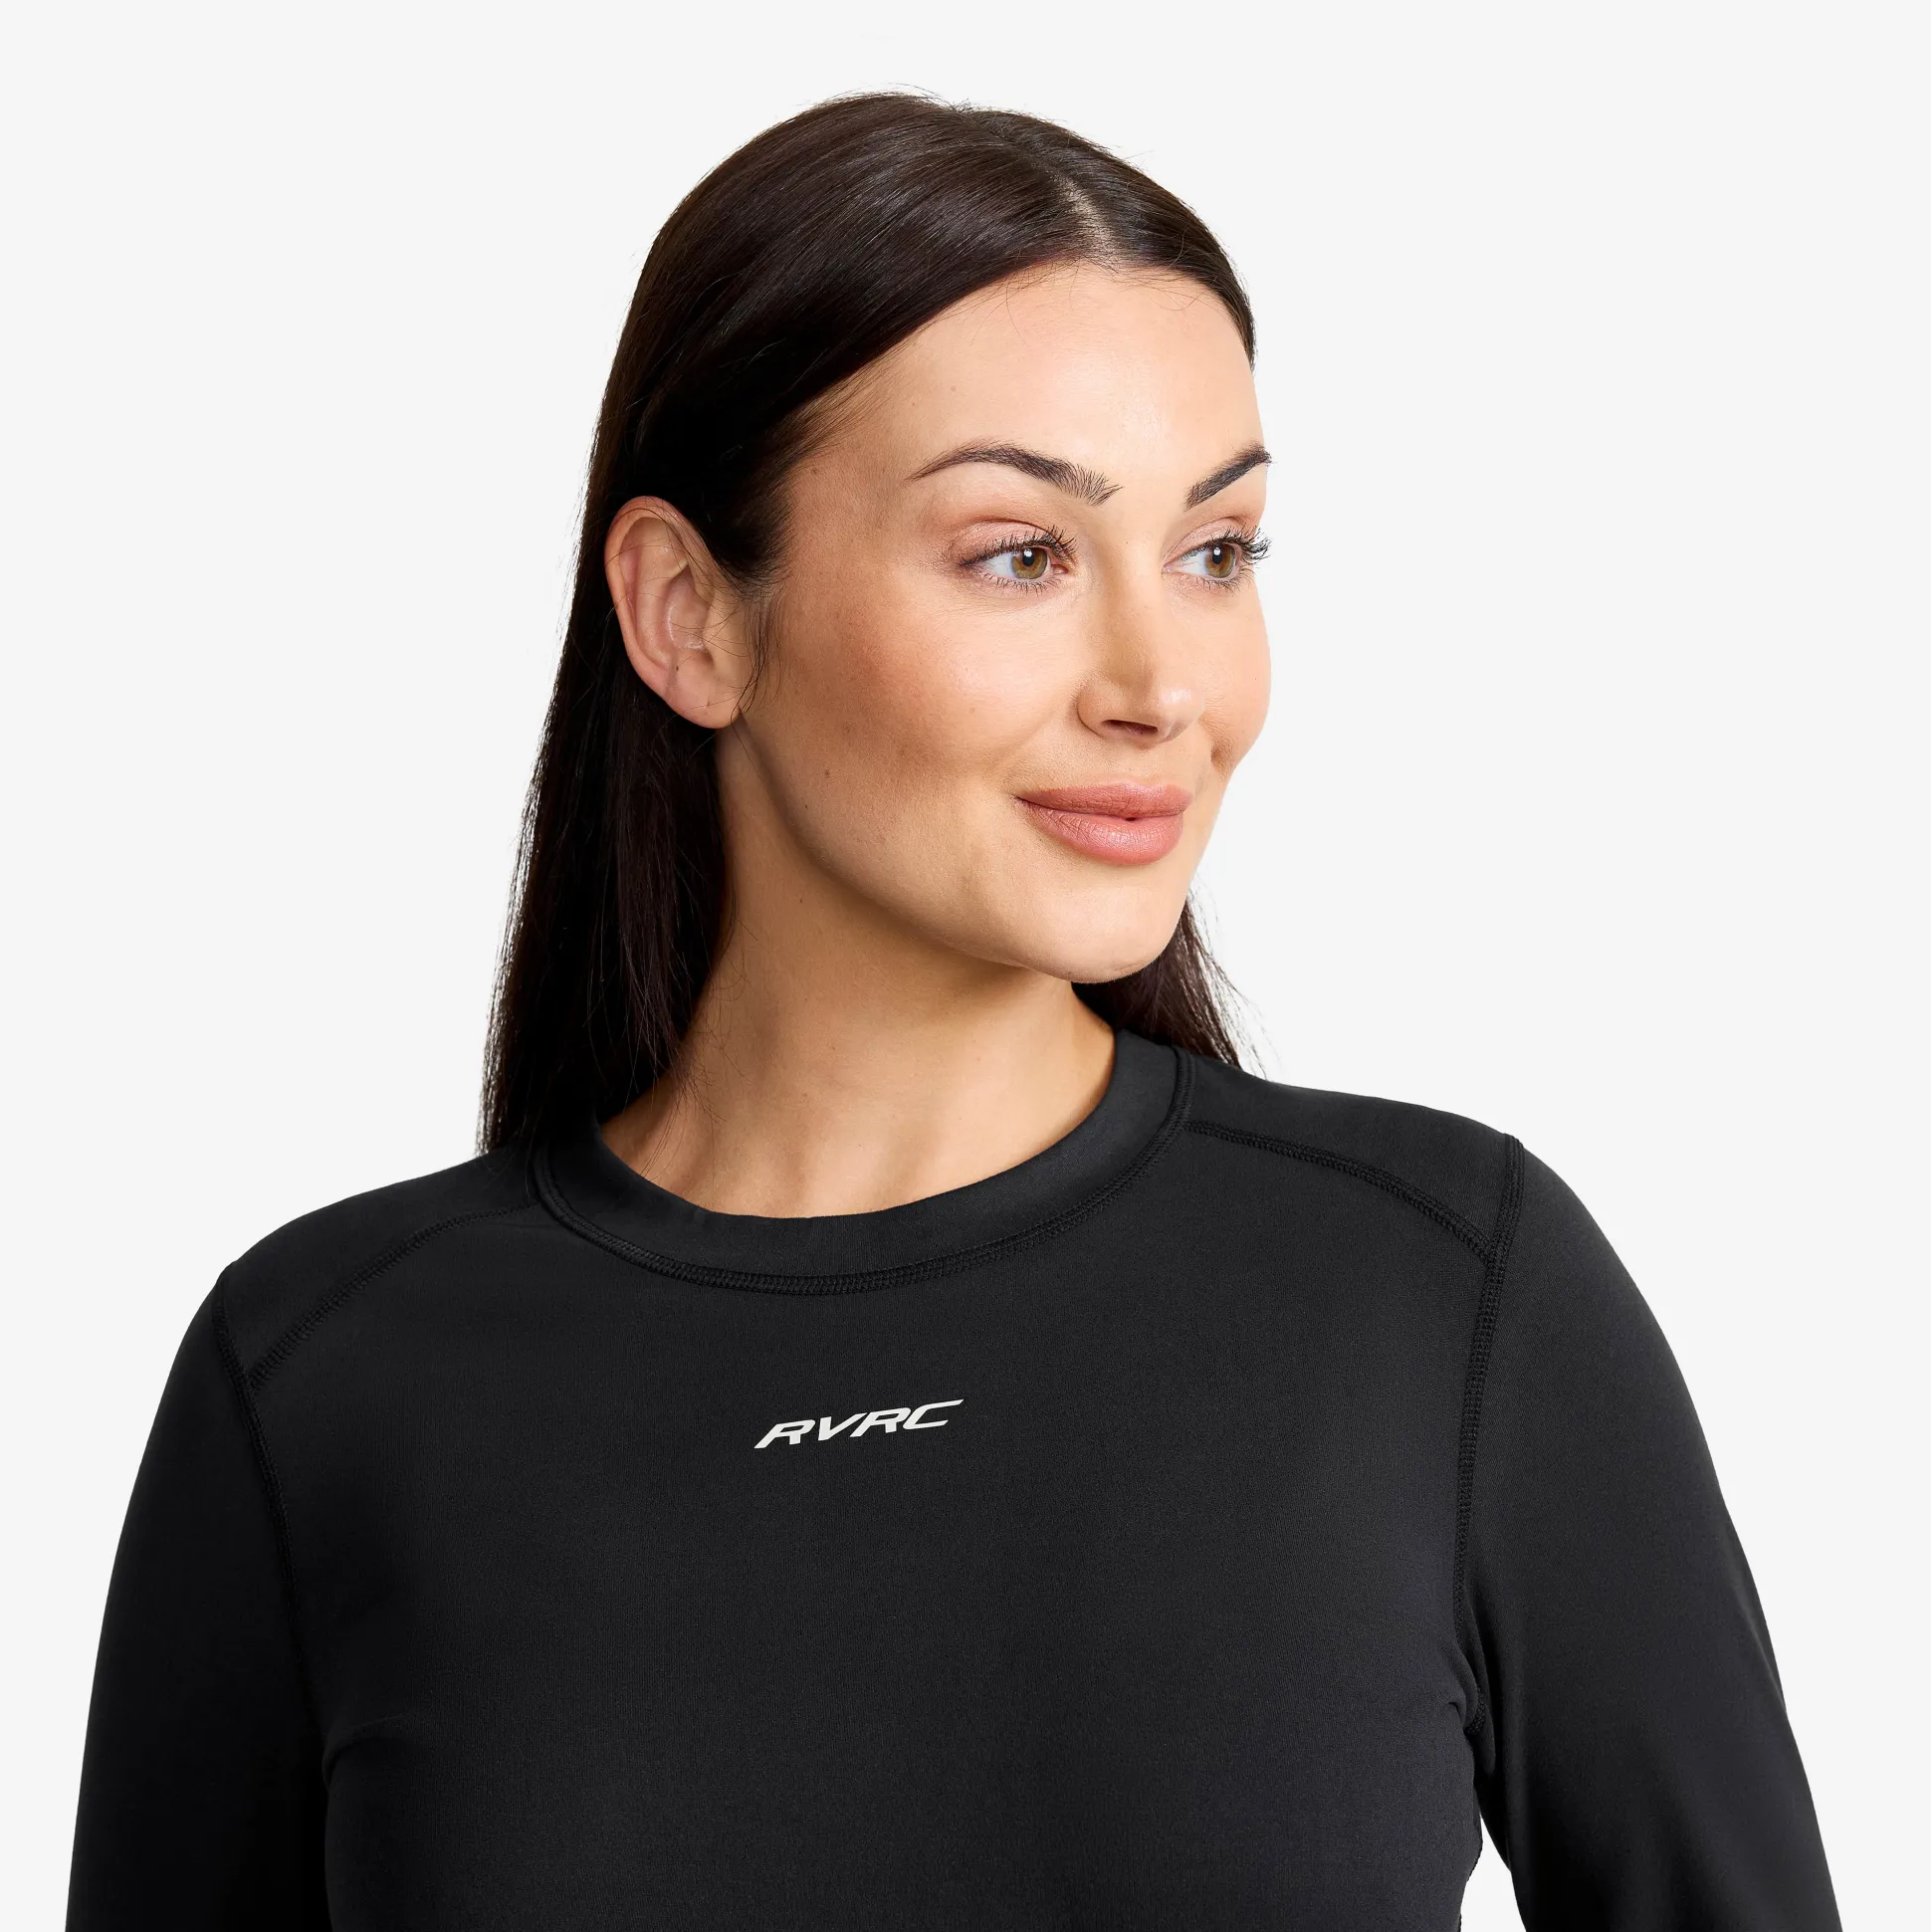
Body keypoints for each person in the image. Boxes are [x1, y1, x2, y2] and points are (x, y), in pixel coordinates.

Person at [65, 94, 1840, 1931]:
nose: (1162, 686)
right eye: (1020, 554)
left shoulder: (1449, 1298)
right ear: (687, 613)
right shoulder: (327, 1378)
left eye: (1217, 552)